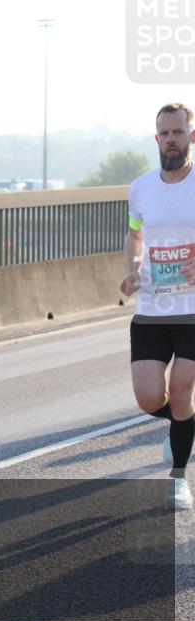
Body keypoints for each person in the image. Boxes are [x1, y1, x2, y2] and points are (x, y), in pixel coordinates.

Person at [120, 102, 195, 510]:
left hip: (193, 311)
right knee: (151, 398)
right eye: (164, 133)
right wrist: (133, 269)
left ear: (191, 137)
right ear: (156, 139)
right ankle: (184, 424)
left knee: (182, 389)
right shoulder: (141, 187)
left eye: (178, 132)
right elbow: (134, 235)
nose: (171, 140)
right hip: (152, 306)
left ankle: (178, 478)